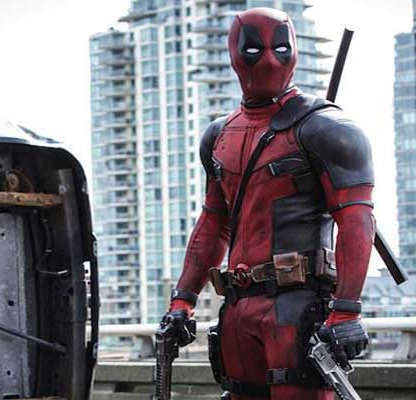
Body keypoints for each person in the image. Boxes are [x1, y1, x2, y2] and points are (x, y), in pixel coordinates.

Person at [160, 7, 375, 399]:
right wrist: (182, 300)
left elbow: (356, 219)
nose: (271, 60)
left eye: (280, 48)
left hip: (297, 308)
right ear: (234, 52)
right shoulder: (218, 136)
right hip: (237, 310)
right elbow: (213, 224)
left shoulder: (327, 129)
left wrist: (347, 310)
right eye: (255, 49)